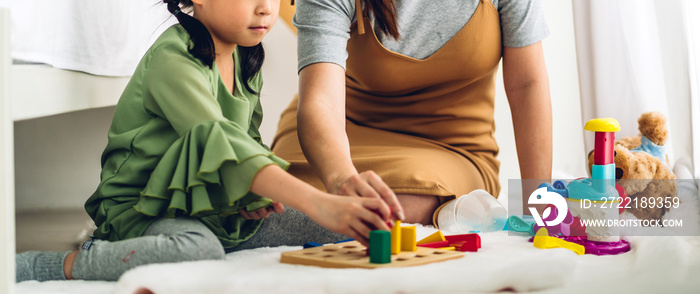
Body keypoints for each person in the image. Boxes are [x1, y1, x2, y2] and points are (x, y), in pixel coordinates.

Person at [16, 0, 402, 282]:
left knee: (339, 229)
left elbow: (245, 142)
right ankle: (61, 264)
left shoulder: (245, 59)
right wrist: (319, 200)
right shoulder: (173, 59)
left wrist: (251, 199)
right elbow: (218, 141)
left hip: (209, 207)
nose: (266, 8)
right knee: (198, 250)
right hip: (144, 210)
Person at [271, 0, 553, 226]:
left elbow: (526, 86)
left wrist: (536, 202)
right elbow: (321, 101)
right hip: (334, 134)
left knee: (394, 203)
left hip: (453, 149)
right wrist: (341, 179)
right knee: (279, 189)